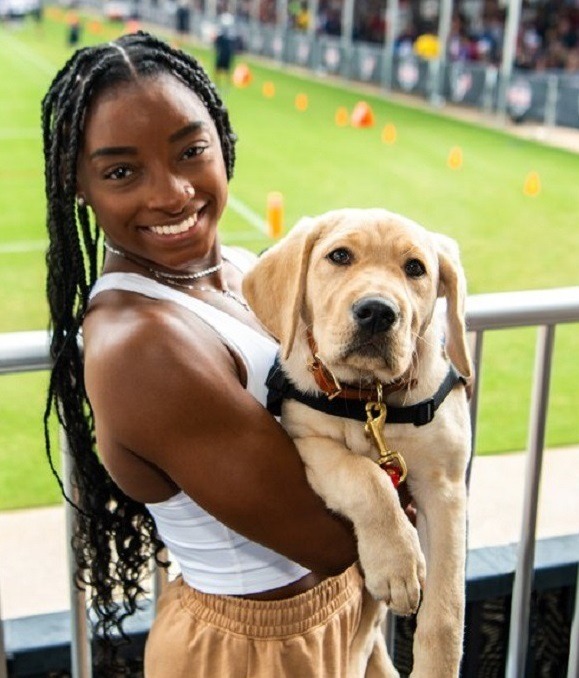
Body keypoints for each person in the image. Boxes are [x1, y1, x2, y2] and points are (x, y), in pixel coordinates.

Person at [41, 31, 404, 676]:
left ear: (222, 138)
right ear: (79, 186)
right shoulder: (141, 348)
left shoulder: (240, 267)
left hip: (340, 614)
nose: (173, 193)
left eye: (191, 150)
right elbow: (328, 538)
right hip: (256, 649)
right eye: (122, 172)